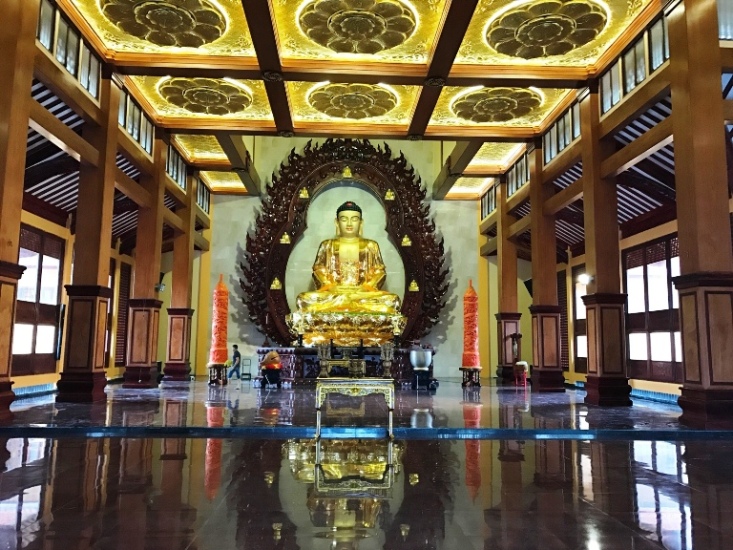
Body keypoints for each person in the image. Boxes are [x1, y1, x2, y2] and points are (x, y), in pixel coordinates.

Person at [295, 201, 401, 314]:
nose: (349, 224)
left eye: (354, 219)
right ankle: (352, 305)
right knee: (303, 300)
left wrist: (365, 288)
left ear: (361, 223)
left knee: (393, 301)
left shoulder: (370, 245)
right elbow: (319, 270)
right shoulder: (327, 245)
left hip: (361, 294)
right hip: (335, 294)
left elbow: (379, 272)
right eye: (344, 219)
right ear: (337, 222)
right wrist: (331, 287)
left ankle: (346, 304)